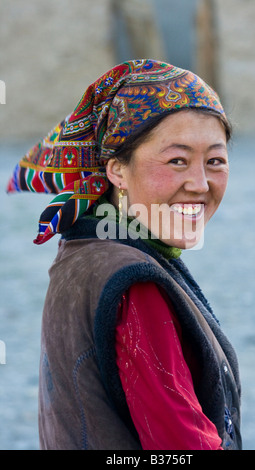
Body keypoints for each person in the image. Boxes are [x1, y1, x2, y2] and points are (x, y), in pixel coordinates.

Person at [7, 59, 242, 450]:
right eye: (177, 160)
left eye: (214, 161)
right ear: (117, 170)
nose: (200, 184)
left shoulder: (80, 252)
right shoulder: (133, 283)